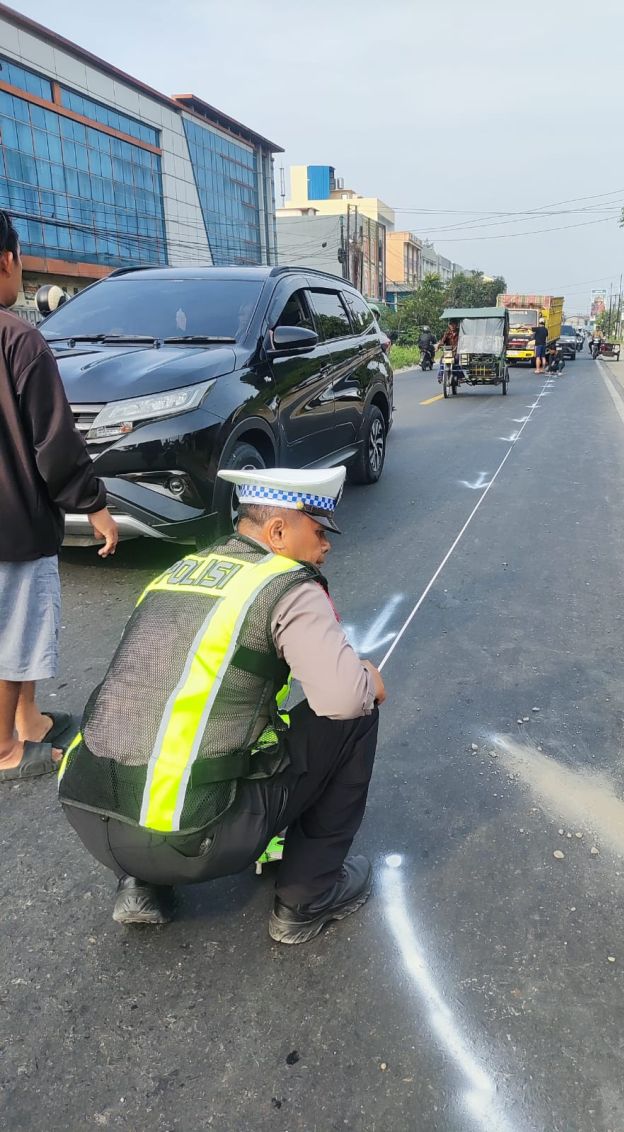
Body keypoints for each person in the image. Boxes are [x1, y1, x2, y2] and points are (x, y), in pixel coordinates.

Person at [58, 466, 386, 946]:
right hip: (190, 836)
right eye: (318, 531)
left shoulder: (179, 573)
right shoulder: (287, 584)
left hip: (89, 815)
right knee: (357, 715)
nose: (327, 545)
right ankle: (307, 897)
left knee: (153, 715)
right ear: (278, 532)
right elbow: (340, 699)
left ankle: (142, 884)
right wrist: (367, 680)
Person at [0, 210, 118, 784]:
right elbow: (54, 440)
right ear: (7, 261)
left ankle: (28, 719)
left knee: (12, 630)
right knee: (11, 629)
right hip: (13, 523)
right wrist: (93, 504)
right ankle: (4, 749)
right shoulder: (18, 340)